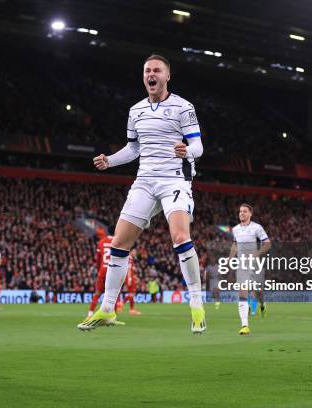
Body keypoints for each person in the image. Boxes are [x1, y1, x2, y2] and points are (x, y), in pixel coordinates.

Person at [78, 54, 205, 333]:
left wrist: (187, 150)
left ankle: (197, 305)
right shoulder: (136, 110)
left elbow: (198, 146)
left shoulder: (184, 107)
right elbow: (133, 148)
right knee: (119, 244)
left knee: (180, 236)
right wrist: (109, 160)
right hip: (145, 181)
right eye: (147, 70)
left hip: (174, 179)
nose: (152, 74)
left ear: (167, 76)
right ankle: (108, 309)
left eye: (157, 70)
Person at [228, 203, 271, 336]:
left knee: (258, 293)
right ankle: (245, 326)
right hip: (243, 266)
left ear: (250, 214)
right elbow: (235, 245)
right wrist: (230, 258)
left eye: (244, 211)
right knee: (243, 293)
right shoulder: (235, 229)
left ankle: (262, 305)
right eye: (240, 211)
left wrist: (257, 253)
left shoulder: (257, 228)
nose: (241, 213)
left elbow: (268, 243)